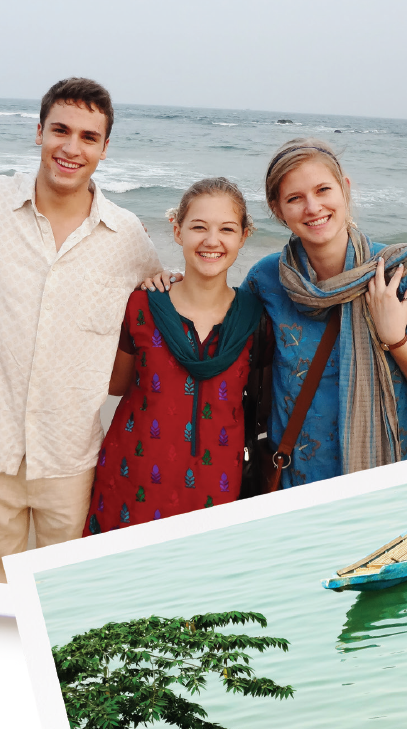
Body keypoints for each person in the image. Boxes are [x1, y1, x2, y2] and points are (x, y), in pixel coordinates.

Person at [150, 138, 407, 487]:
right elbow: (220, 325)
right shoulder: (267, 280)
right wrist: (171, 282)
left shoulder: (402, 274)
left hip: (392, 475)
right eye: (294, 198)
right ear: (277, 209)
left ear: (344, 189)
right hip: (294, 479)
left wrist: (395, 339)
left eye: (322, 190)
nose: (312, 207)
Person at [0, 77, 163, 579]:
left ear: (105, 149)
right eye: (60, 130)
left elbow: (159, 293)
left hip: (69, 457)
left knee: (59, 595)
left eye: (88, 137)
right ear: (38, 131)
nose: (71, 147)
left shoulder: (126, 234)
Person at [83, 178, 269, 534]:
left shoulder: (256, 318)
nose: (212, 240)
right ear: (177, 231)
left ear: (244, 237)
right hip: (132, 476)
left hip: (217, 481)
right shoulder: (141, 305)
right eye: (198, 227)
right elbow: (117, 384)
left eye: (227, 229)